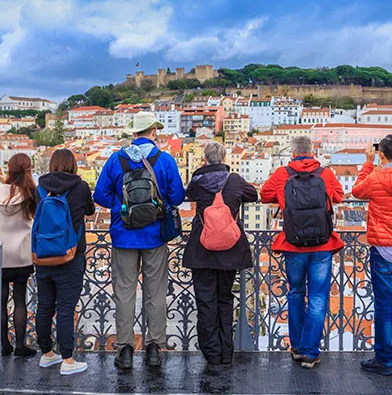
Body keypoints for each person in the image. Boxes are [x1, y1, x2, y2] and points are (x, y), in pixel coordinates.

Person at [94, 111, 185, 369]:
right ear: (154, 132)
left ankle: (124, 349)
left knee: (124, 293)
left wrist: (121, 207)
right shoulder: (164, 159)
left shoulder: (115, 159)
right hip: (155, 235)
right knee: (154, 293)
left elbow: (100, 195)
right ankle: (154, 347)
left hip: (124, 235)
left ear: (133, 133)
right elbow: (177, 196)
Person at [260, 136, 343, 369]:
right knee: (317, 297)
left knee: (295, 293)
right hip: (321, 244)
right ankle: (309, 352)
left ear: (293, 153)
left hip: (293, 244)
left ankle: (296, 347)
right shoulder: (325, 174)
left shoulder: (282, 173)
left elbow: (265, 195)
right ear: (313, 152)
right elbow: (339, 196)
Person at [182, 141, 258, 366]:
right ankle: (227, 352)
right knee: (225, 299)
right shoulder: (234, 181)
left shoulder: (197, 181)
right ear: (225, 158)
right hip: (230, 248)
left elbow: (186, 195)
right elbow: (253, 195)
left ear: (204, 159)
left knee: (206, 301)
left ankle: (211, 353)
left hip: (202, 249)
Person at [35, 149, 95, 375]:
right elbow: (90, 210)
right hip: (71, 255)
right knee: (65, 309)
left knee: (44, 306)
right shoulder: (80, 188)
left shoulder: (40, 188)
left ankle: (47, 354)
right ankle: (68, 360)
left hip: (42, 256)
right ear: (73, 165)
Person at [352, 136, 392, 376]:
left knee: (385, 306)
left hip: (384, 249)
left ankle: (385, 359)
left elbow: (356, 191)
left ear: (382, 155)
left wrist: (368, 164)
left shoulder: (376, 176)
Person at [0, 154, 37, 357]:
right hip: (21, 254)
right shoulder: (30, 194)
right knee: (20, 299)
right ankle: (20, 345)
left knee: (1, 301)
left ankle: (3, 344)